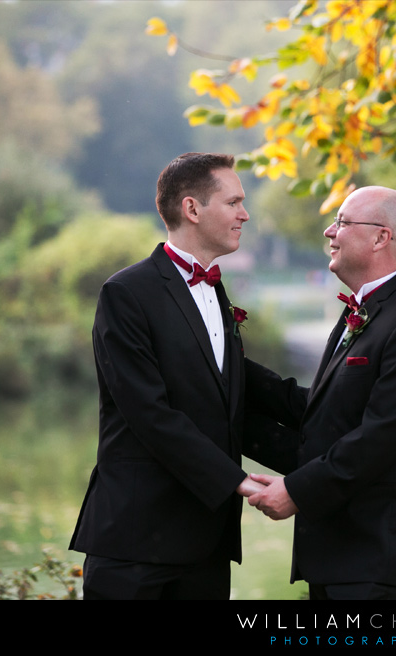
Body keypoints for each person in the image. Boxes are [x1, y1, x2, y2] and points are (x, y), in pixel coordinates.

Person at [244, 185, 396, 601]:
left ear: (381, 237)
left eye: (343, 222)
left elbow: (381, 438)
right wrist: (227, 372)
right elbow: (323, 415)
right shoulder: (361, 312)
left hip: (378, 559)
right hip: (337, 555)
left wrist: (295, 491)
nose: (330, 231)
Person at [69, 152, 265, 600]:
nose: (245, 213)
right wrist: (239, 481)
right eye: (234, 202)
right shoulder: (125, 294)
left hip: (206, 544)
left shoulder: (214, 289)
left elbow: (229, 393)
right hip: (135, 543)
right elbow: (150, 415)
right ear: (192, 209)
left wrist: (321, 439)